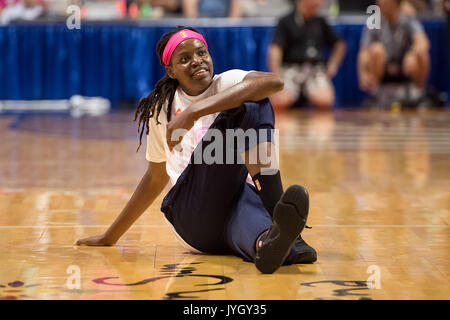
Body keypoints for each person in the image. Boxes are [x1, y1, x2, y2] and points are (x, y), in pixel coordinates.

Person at [75, 26, 317, 274]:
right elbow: (155, 177)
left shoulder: (227, 82)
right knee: (251, 106)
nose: (196, 61)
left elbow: (274, 82)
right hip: (192, 214)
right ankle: (283, 225)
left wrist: (194, 111)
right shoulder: (162, 110)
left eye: (202, 53)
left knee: (265, 237)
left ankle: (275, 244)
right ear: (170, 71)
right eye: (184, 59)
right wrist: (110, 235)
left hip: (235, 203)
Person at [268, 0, 347, 111]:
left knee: (325, 100)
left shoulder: (320, 21)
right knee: (280, 101)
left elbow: (339, 44)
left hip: (314, 70)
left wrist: (333, 65)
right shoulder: (286, 21)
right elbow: (275, 49)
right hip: (291, 70)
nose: (319, 3)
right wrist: (277, 76)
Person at [358, 0, 430, 99]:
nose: (381, 4)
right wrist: (363, 73)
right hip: (383, 68)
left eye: (385, 2)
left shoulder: (408, 19)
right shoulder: (374, 20)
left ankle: (419, 94)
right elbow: (364, 50)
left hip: (405, 67)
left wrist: (412, 54)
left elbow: (423, 42)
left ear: (396, 4)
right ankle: (375, 95)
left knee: (422, 55)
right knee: (376, 50)